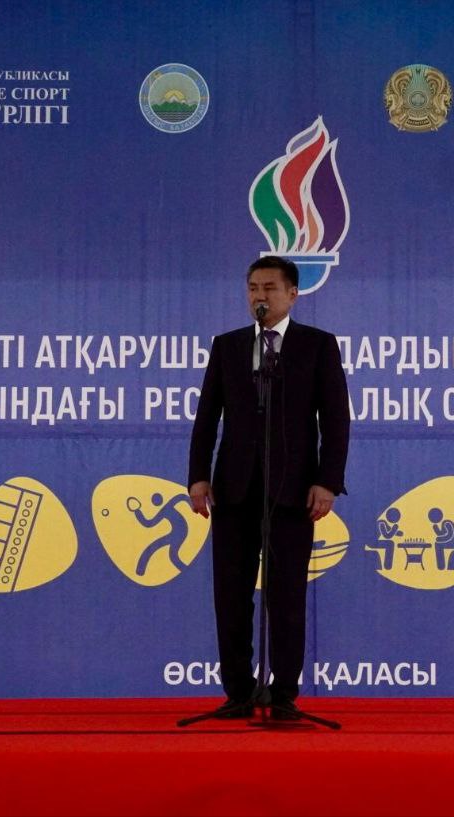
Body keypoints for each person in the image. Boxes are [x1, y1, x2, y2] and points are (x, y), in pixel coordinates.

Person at [188, 255, 350, 720]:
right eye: (253, 288)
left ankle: (282, 695)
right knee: (231, 595)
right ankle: (239, 692)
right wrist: (198, 475)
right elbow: (207, 417)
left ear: (293, 294)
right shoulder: (228, 346)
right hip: (234, 489)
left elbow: (335, 419)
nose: (260, 296)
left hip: (293, 491)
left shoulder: (317, 346)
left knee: (286, 596)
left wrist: (327, 481)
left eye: (270, 288)